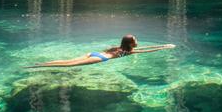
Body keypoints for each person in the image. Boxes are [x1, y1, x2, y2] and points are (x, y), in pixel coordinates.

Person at [26, 34, 175, 68]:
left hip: (94, 53)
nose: (137, 42)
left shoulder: (118, 48)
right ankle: (39, 66)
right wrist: (163, 48)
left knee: (69, 61)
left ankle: (40, 64)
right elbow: (145, 51)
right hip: (101, 59)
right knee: (68, 65)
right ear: (130, 44)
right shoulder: (128, 52)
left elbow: (144, 48)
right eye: (135, 40)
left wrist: (164, 45)